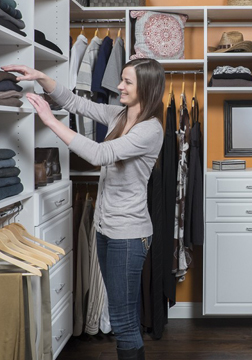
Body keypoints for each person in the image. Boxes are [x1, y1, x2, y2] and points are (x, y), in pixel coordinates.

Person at [3, 59, 165, 360]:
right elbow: (76, 102)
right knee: (122, 316)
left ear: (147, 86)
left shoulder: (150, 130)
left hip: (128, 236)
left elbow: (101, 153)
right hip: (106, 230)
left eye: (127, 82)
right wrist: (41, 78)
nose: (119, 86)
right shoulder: (120, 114)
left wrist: (51, 121)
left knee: (124, 321)